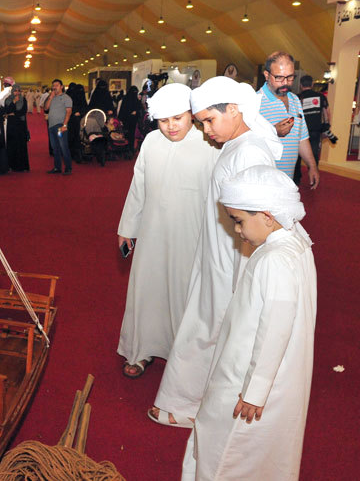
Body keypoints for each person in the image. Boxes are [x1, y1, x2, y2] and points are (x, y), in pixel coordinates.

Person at [150, 76, 282, 427]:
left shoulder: (251, 150)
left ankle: (190, 405)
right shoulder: (235, 145)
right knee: (204, 323)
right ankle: (187, 401)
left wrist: (242, 271)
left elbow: (258, 220)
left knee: (212, 327)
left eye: (209, 120)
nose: (206, 130)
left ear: (234, 109)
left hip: (234, 258)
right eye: (202, 122)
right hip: (217, 251)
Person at [182, 165, 316, 481]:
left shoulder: (276, 259)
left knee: (227, 448)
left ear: (268, 216)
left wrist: (255, 391)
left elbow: (275, 327)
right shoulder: (293, 242)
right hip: (272, 373)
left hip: (252, 378)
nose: (238, 230)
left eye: (239, 221)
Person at [117, 84, 219, 379]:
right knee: (147, 290)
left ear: (191, 115)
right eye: (163, 120)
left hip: (193, 236)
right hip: (152, 233)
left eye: (178, 118)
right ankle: (141, 349)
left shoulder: (210, 142)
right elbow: (138, 187)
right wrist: (127, 228)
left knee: (185, 295)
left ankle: (184, 358)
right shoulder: (151, 141)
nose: (171, 126)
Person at [258, 52, 320, 189]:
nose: (285, 83)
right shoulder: (255, 102)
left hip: (287, 181)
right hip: (263, 183)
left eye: (290, 77)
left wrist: (312, 166)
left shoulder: (295, 100)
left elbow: (302, 138)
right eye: (279, 77)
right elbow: (244, 142)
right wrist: (273, 132)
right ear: (267, 75)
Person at [295, 75, 329, 184]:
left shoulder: (297, 97)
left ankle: (296, 178)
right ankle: (314, 178)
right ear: (312, 84)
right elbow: (326, 112)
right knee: (314, 155)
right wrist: (327, 126)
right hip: (315, 130)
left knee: (297, 155)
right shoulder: (321, 96)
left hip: (300, 131)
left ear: (301, 85)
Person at [44, 79, 73, 175]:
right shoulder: (52, 97)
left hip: (60, 126)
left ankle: (68, 168)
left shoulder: (66, 98)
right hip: (51, 126)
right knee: (55, 147)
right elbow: (46, 108)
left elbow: (68, 112)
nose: (54, 87)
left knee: (63, 146)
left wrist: (64, 125)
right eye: (53, 85)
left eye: (56, 85)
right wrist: (50, 97)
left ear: (61, 87)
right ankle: (57, 167)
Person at [4, 85, 30, 172]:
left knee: (21, 144)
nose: (17, 93)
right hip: (11, 126)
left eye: (19, 91)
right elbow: (7, 111)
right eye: (15, 91)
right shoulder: (8, 100)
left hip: (21, 125)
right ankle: (11, 165)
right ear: (12, 91)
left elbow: (23, 111)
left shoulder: (23, 100)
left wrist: (13, 113)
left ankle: (22, 166)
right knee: (12, 145)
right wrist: (14, 102)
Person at [118, 86, 143, 151]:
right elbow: (123, 110)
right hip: (127, 120)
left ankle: (129, 148)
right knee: (127, 134)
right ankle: (127, 148)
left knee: (131, 134)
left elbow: (139, 108)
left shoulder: (133, 99)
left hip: (131, 120)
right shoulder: (127, 99)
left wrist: (136, 112)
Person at [67, 84, 88, 163]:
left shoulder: (76, 97)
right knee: (74, 136)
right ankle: (74, 154)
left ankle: (78, 153)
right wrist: (75, 112)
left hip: (80, 120)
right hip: (72, 120)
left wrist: (81, 113)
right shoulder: (71, 98)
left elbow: (85, 107)